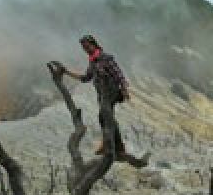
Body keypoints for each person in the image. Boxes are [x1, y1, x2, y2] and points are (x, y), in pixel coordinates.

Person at [55, 35, 146, 166]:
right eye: (83, 48)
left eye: (87, 46)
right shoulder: (93, 61)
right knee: (104, 117)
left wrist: (124, 90)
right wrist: (67, 72)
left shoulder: (105, 58)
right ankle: (116, 146)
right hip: (102, 94)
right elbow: (86, 78)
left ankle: (113, 146)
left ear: (94, 45)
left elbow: (119, 74)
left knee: (105, 115)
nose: (86, 49)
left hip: (111, 92)